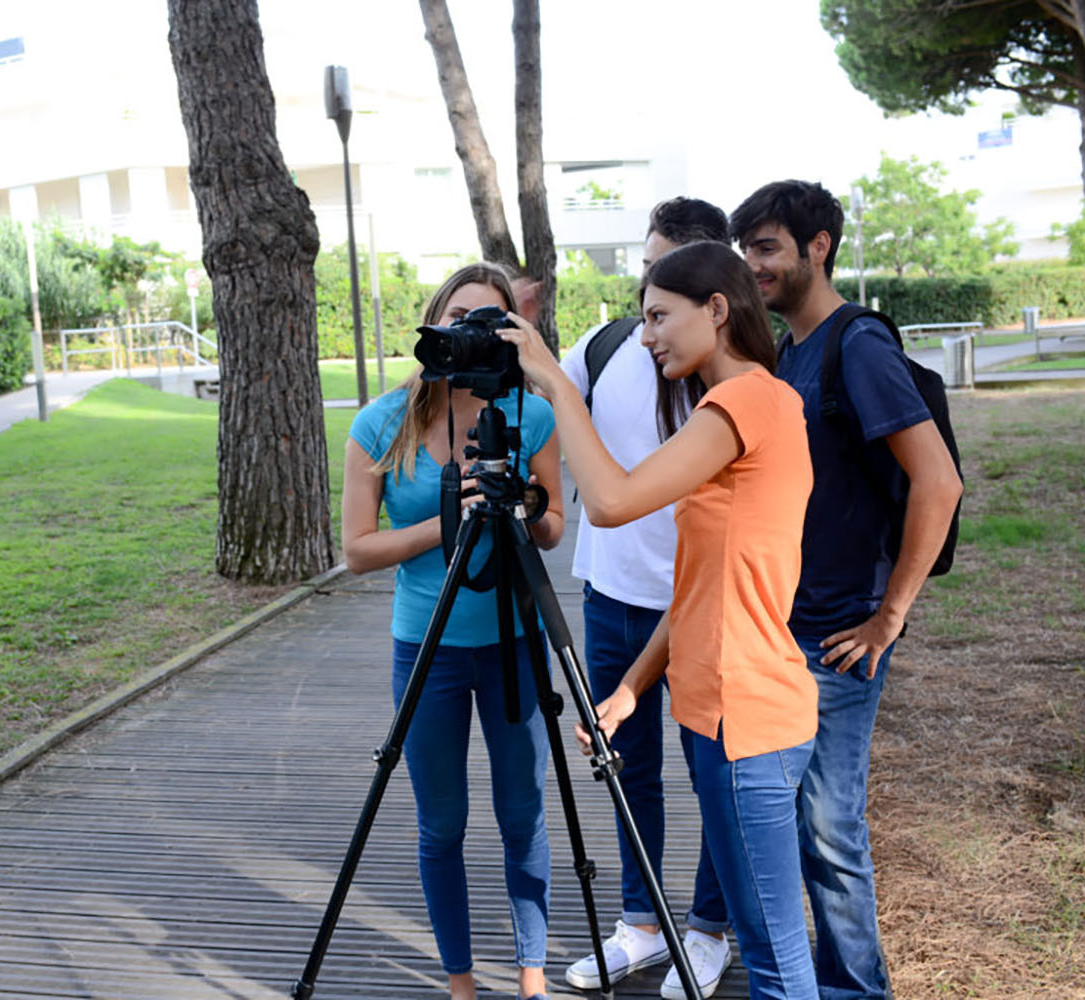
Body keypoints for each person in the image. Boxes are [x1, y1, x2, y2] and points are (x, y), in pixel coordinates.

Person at [497, 240, 820, 999]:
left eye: (658, 317)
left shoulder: (743, 402)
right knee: (769, 949)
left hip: (749, 719)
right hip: (726, 712)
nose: (646, 337)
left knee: (776, 964)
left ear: (716, 308)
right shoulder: (751, 404)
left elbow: (608, 504)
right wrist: (635, 689)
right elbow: (703, 589)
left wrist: (553, 381)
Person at [729, 181, 963, 1000]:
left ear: (817, 246)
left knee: (828, 832)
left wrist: (887, 617)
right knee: (793, 826)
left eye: (766, 248)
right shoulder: (790, 349)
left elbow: (937, 482)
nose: (752, 264)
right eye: (745, 249)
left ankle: (857, 991)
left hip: (835, 635)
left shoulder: (855, 346)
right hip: (783, 625)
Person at [341, 261, 566, 1000]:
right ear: (435, 323)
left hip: (513, 640)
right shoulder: (380, 422)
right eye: (461, 318)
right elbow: (357, 552)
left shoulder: (531, 414)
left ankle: (532, 974)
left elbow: (555, 528)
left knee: (522, 814)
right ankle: (461, 982)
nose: (474, 335)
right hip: (427, 647)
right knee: (441, 823)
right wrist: (448, 523)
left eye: (492, 322)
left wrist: (522, 503)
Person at [558, 198, 736, 1000]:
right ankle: (641, 922)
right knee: (626, 767)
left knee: (716, 774)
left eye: (671, 282)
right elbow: (530, 416)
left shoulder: (732, 374)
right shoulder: (601, 348)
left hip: (702, 603)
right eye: (647, 272)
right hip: (613, 597)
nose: (651, 305)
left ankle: (707, 929)